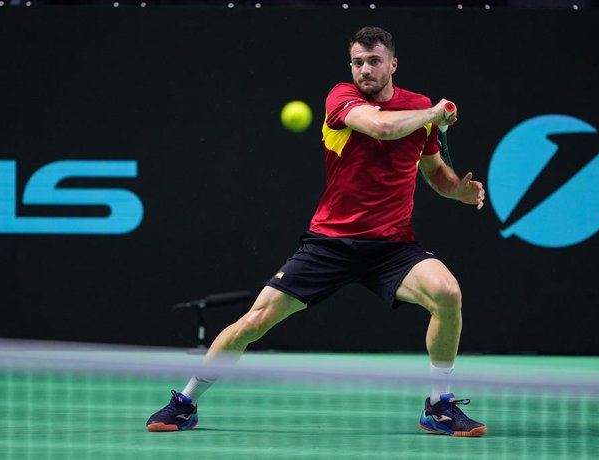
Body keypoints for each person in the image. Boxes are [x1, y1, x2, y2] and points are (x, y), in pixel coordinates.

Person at [147, 26, 487, 437]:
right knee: (254, 322)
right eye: (358, 62)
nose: (365, 69)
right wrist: (434, 114)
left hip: (393, 247)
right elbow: (380, 128)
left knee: (448, 294)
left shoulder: (418, 109)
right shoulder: (342, 98)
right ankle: (186, 402)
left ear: (392, 64)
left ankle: (440, 405)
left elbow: (435, 173)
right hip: (331, 242)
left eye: (374, 61)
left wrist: (460, 192)